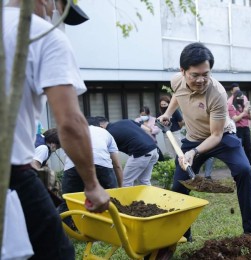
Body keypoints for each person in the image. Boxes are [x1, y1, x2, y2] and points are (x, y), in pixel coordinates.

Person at [4, 1, 109, 259]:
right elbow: (71, 122)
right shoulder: (41, 34)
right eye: (57, 9)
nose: (53, 17)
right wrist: (92, 185)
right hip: (10, 173)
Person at [158, 43, 251, 241]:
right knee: (179, 187)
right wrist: (168, 113)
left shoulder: (217, 93)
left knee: (244, 171)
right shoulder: (176, 81)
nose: (201, 79)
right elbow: (179, 95)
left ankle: (250, 231)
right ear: (183, 71)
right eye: (195, 75)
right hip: (193, 138)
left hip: (221, 137)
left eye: (206, 74)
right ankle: (184, 235)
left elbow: (216, 135)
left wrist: (194, 152)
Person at [95, 117, 159, 186]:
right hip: (154, 149)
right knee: (144, 180)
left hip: (140, 153)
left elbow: (113, 159)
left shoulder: (108, 134)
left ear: (101, 127)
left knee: (125, 182)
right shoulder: (126, 121)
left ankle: (127, 197)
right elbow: (147, 129)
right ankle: (149, 197)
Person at [228, 89, 251, 167]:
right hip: (238, 129)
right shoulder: (231, 106)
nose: (242, 99)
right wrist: (244, 113)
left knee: (248, 145)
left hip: (246, 127)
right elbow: (235, 119)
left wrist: (249, 111)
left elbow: (250, 118)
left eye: (242, 97)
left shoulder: (243, 106)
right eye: (240, 97)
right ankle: (239, 162)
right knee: (239, 146)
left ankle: (250, 161)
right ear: (236, 97)